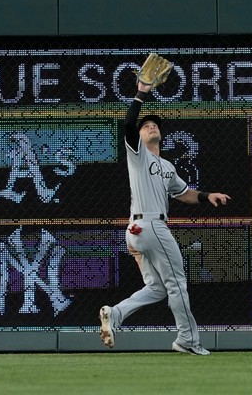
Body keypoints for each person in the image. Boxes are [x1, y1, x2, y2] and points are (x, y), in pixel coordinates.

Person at [99, 71, 231, 356]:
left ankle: (115, 314)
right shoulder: (138, 155)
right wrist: (142, 92)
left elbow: (185, 194)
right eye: (146, 126)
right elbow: (128, 124)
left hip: (138, 232)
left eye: (153, 125)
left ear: (161, 134)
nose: (149, 127)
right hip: (149, 225)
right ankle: (187, 340)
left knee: (158, 288)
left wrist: (209, 196)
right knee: (177, 284)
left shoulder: (167, 166)